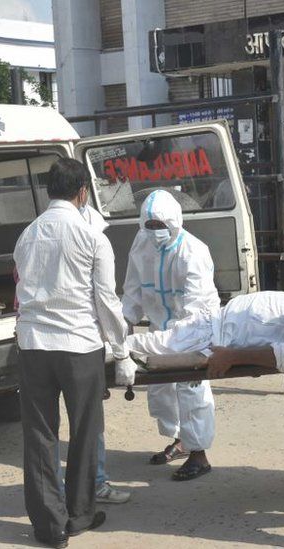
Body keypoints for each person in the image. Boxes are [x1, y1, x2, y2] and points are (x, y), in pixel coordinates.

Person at [13, 158, 137, 548]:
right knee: (85, 432)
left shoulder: (26, 236)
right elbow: (106, 300)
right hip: (79, 347)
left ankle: (50, 528)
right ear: (83, 192)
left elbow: (21, 293)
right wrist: (122, 352)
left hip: (33, 347)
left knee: (39, 437)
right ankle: (80, 515)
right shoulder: (92, 237)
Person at [121, 190, 221, 481]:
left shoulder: (193, 252)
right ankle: (181, 440)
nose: (154, 232)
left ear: (175, 223)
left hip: (192, 331)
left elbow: (195, 310)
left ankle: (199, 455)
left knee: (192, 390)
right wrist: (123, 325)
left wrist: (173, 342)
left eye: (159, 226)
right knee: (162, 390)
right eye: (149, 226)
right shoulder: (141, 244)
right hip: (159, 328)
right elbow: (133, 291)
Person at [126, 291, 284, 379]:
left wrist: (232, 356)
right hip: (219, 321)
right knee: (152, 343)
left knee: (151, 346)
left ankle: (109, 351)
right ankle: (110, 349)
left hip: (218, 336)